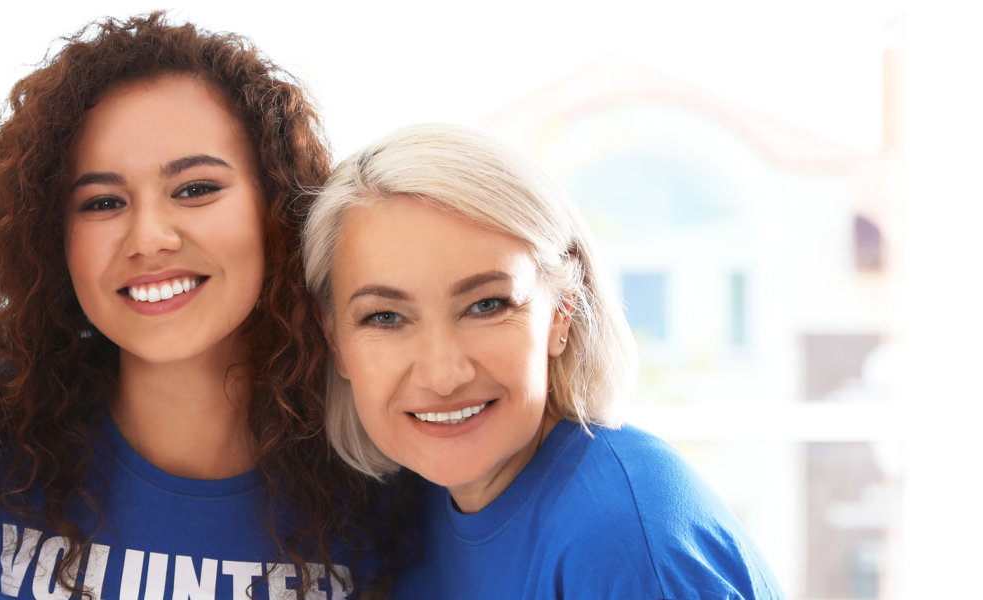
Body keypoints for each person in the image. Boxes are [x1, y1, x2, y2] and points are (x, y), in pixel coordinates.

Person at [0, 12, 383, 600]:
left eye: (195, 189)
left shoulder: (384, 472)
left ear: (276, 203)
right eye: (102, 202)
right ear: (52, 236)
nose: (149, 237)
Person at [303, 123, 780, 598]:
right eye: (385, 317)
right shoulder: (412, 506)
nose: (444, 375)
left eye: (487, 305)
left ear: (561, 311)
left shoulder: (622, 540)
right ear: (335, 340)